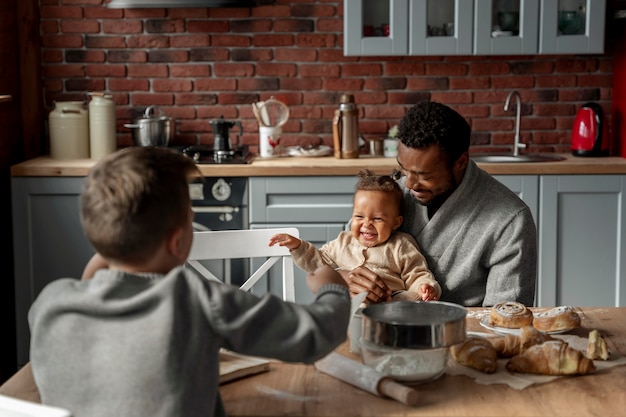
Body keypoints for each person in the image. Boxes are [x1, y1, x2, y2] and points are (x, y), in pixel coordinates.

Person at [27, 146, 351, 417]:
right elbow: (316, 334)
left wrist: (108, 256)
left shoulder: (50, 303)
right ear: (177, 241)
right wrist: (331, 286)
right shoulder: (193, 300)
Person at [342, 101, 537, 307]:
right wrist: (344, 277)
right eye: (404, 169)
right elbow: (321, 272)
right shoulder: (390, 194)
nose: (408, 183)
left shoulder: (510, 220)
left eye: (423, 175)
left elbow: (504, 319)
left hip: (463, 334)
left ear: (460, 161)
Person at [269, 169, 441, 303]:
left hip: (391, 302)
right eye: (359, 217)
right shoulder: (344, 241)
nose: (367, 224)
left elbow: (417, 273)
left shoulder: (401, 244)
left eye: (377, 218)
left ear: (396, 222)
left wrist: (425, 288)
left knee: (407, 300)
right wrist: (298, 247)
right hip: (351, 304)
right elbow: (318, 261)